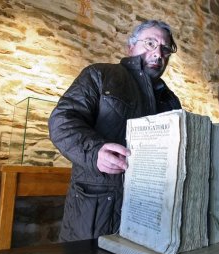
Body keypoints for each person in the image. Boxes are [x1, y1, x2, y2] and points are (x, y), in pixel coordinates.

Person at [48, 20, 181, 242]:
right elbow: (62, 120)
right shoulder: (100, 74)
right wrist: (95, 151)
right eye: (150, 43)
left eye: (165, 48)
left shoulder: (170, 99)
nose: (158, 53)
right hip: (95, 213)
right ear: (131, 47)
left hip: (150, 215)